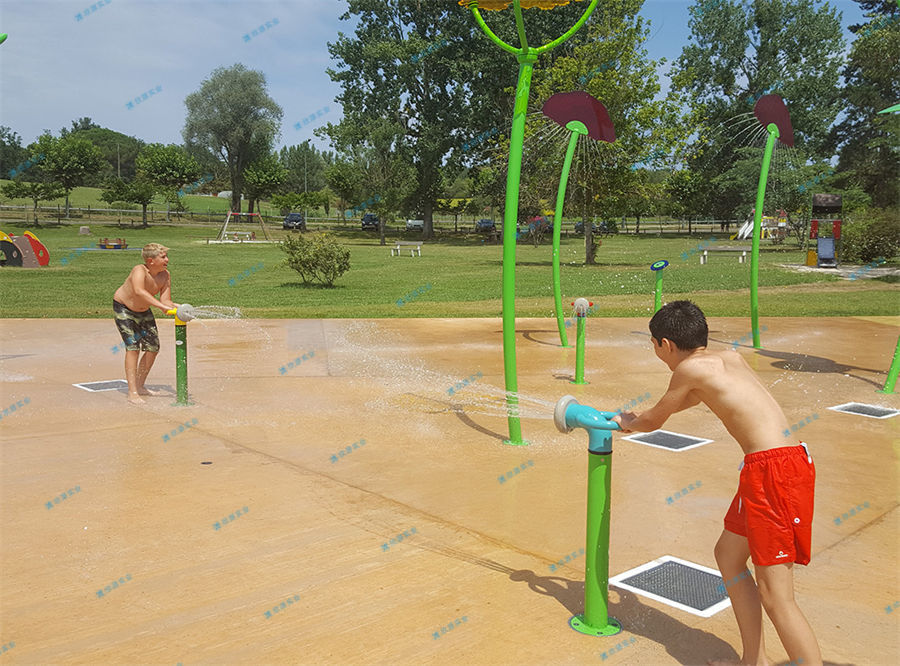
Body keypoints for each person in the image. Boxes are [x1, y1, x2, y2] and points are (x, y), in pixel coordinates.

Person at [612, 301, 821, 666]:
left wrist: (628, 421)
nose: (656, 352)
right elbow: (694, 399)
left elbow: (656, 419)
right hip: (773, 466)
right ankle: (754, 661)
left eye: (653, 345)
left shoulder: (688, 370)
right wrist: (639, 416)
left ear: (666, 344)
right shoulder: (728, 358)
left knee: (776, 596)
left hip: (774, 472)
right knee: (728, 555)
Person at [112, 243, 177, 404]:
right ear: (150, 260)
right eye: (163, 257)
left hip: (144, 310)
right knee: (133, 347)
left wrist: (179, 307)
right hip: (124, 308)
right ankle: (132, 391)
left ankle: (140, 386)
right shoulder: (139, 270)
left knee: (153, 348)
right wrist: (161, 307)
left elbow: (166, 300)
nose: (167, 260)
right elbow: (139, 291)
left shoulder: (165, 275)